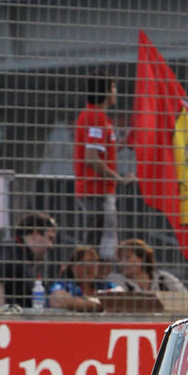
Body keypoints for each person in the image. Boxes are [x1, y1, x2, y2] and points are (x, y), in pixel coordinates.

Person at [73, 73, 119, 258]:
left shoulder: (97, 117)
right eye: (114, 88)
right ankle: (96, 283)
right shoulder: (95, 117)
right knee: (99, 245)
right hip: (96, 192)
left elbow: (100, 152)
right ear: (106, 91)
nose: (116, 93)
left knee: (100, 242)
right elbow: (91, 157)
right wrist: (119, 179)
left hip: (97, 191)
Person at [0, 211, 57, 310]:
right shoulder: (6, 249)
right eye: (50, 238)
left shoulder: (30, 263)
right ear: (34, 234)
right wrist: (4, 318)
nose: (51, 246)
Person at [111, 237, 188, 317]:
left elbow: (187, 299)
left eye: (127, 258)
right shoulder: (118, 280)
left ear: (142, 259)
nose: (122, 263)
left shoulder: (163, 278)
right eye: (120, 259)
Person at [48, 245, 121, 313]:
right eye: (83, 262)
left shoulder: (105, 285)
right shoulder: (65, 284)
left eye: (92, 262)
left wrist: (75, 303)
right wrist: (99, 306)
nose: (88, 266)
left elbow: (122, 299)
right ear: (72, 267)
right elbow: (56, 299)